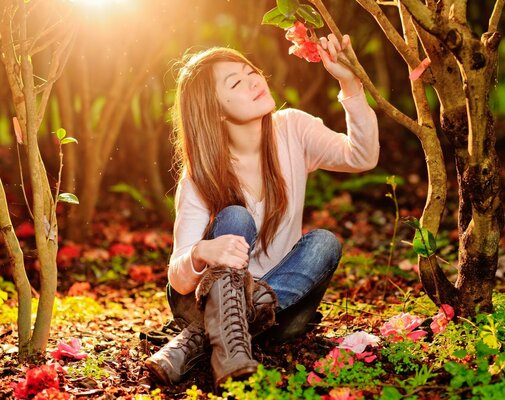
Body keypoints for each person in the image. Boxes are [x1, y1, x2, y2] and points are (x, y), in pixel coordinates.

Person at [144, 32, 379, 390]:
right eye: (236, 82)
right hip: (200, 303)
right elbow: (178, 277)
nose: (254, 81)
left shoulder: (292, 130)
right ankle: (221, 335)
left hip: (278, 308)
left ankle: (199, 340)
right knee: (236, 217)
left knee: (324, 244)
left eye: (250, 71)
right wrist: (201, 251)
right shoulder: (201, 175)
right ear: (216, 111)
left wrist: (350, 84)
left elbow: (361, 157)